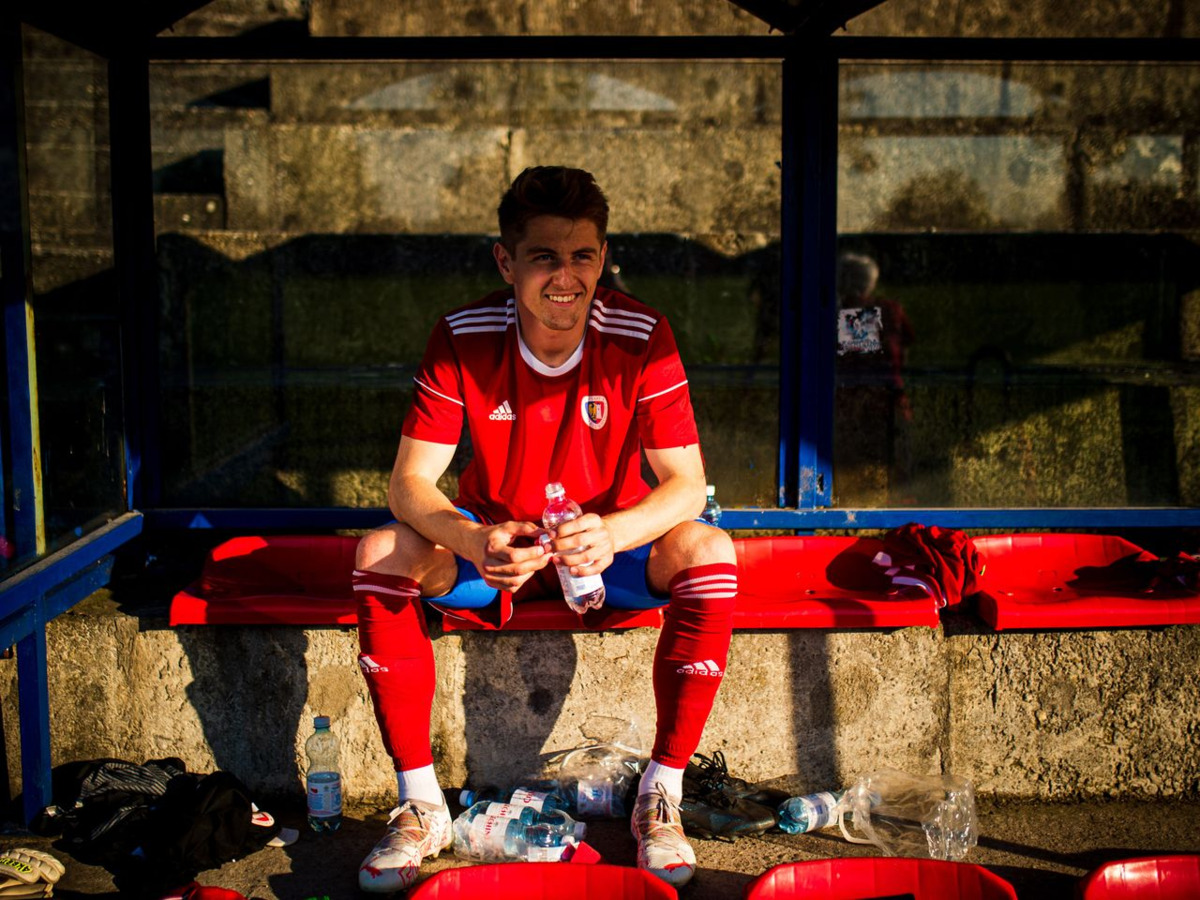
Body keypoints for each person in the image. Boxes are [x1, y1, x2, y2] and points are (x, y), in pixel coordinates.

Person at [352, 166, 738, 892]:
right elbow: (408, 484)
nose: (566, 277)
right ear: (506, 262)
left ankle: (661, 794)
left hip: (605, 550)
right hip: (497, 548)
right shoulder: (463, 334)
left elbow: (687, 485)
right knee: (380, 552)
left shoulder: (642, 333)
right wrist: (472, 540)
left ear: (603, 257)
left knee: (709, 550)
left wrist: (615, 532)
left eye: (582, 256)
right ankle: (421, 805)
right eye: (544, 258)